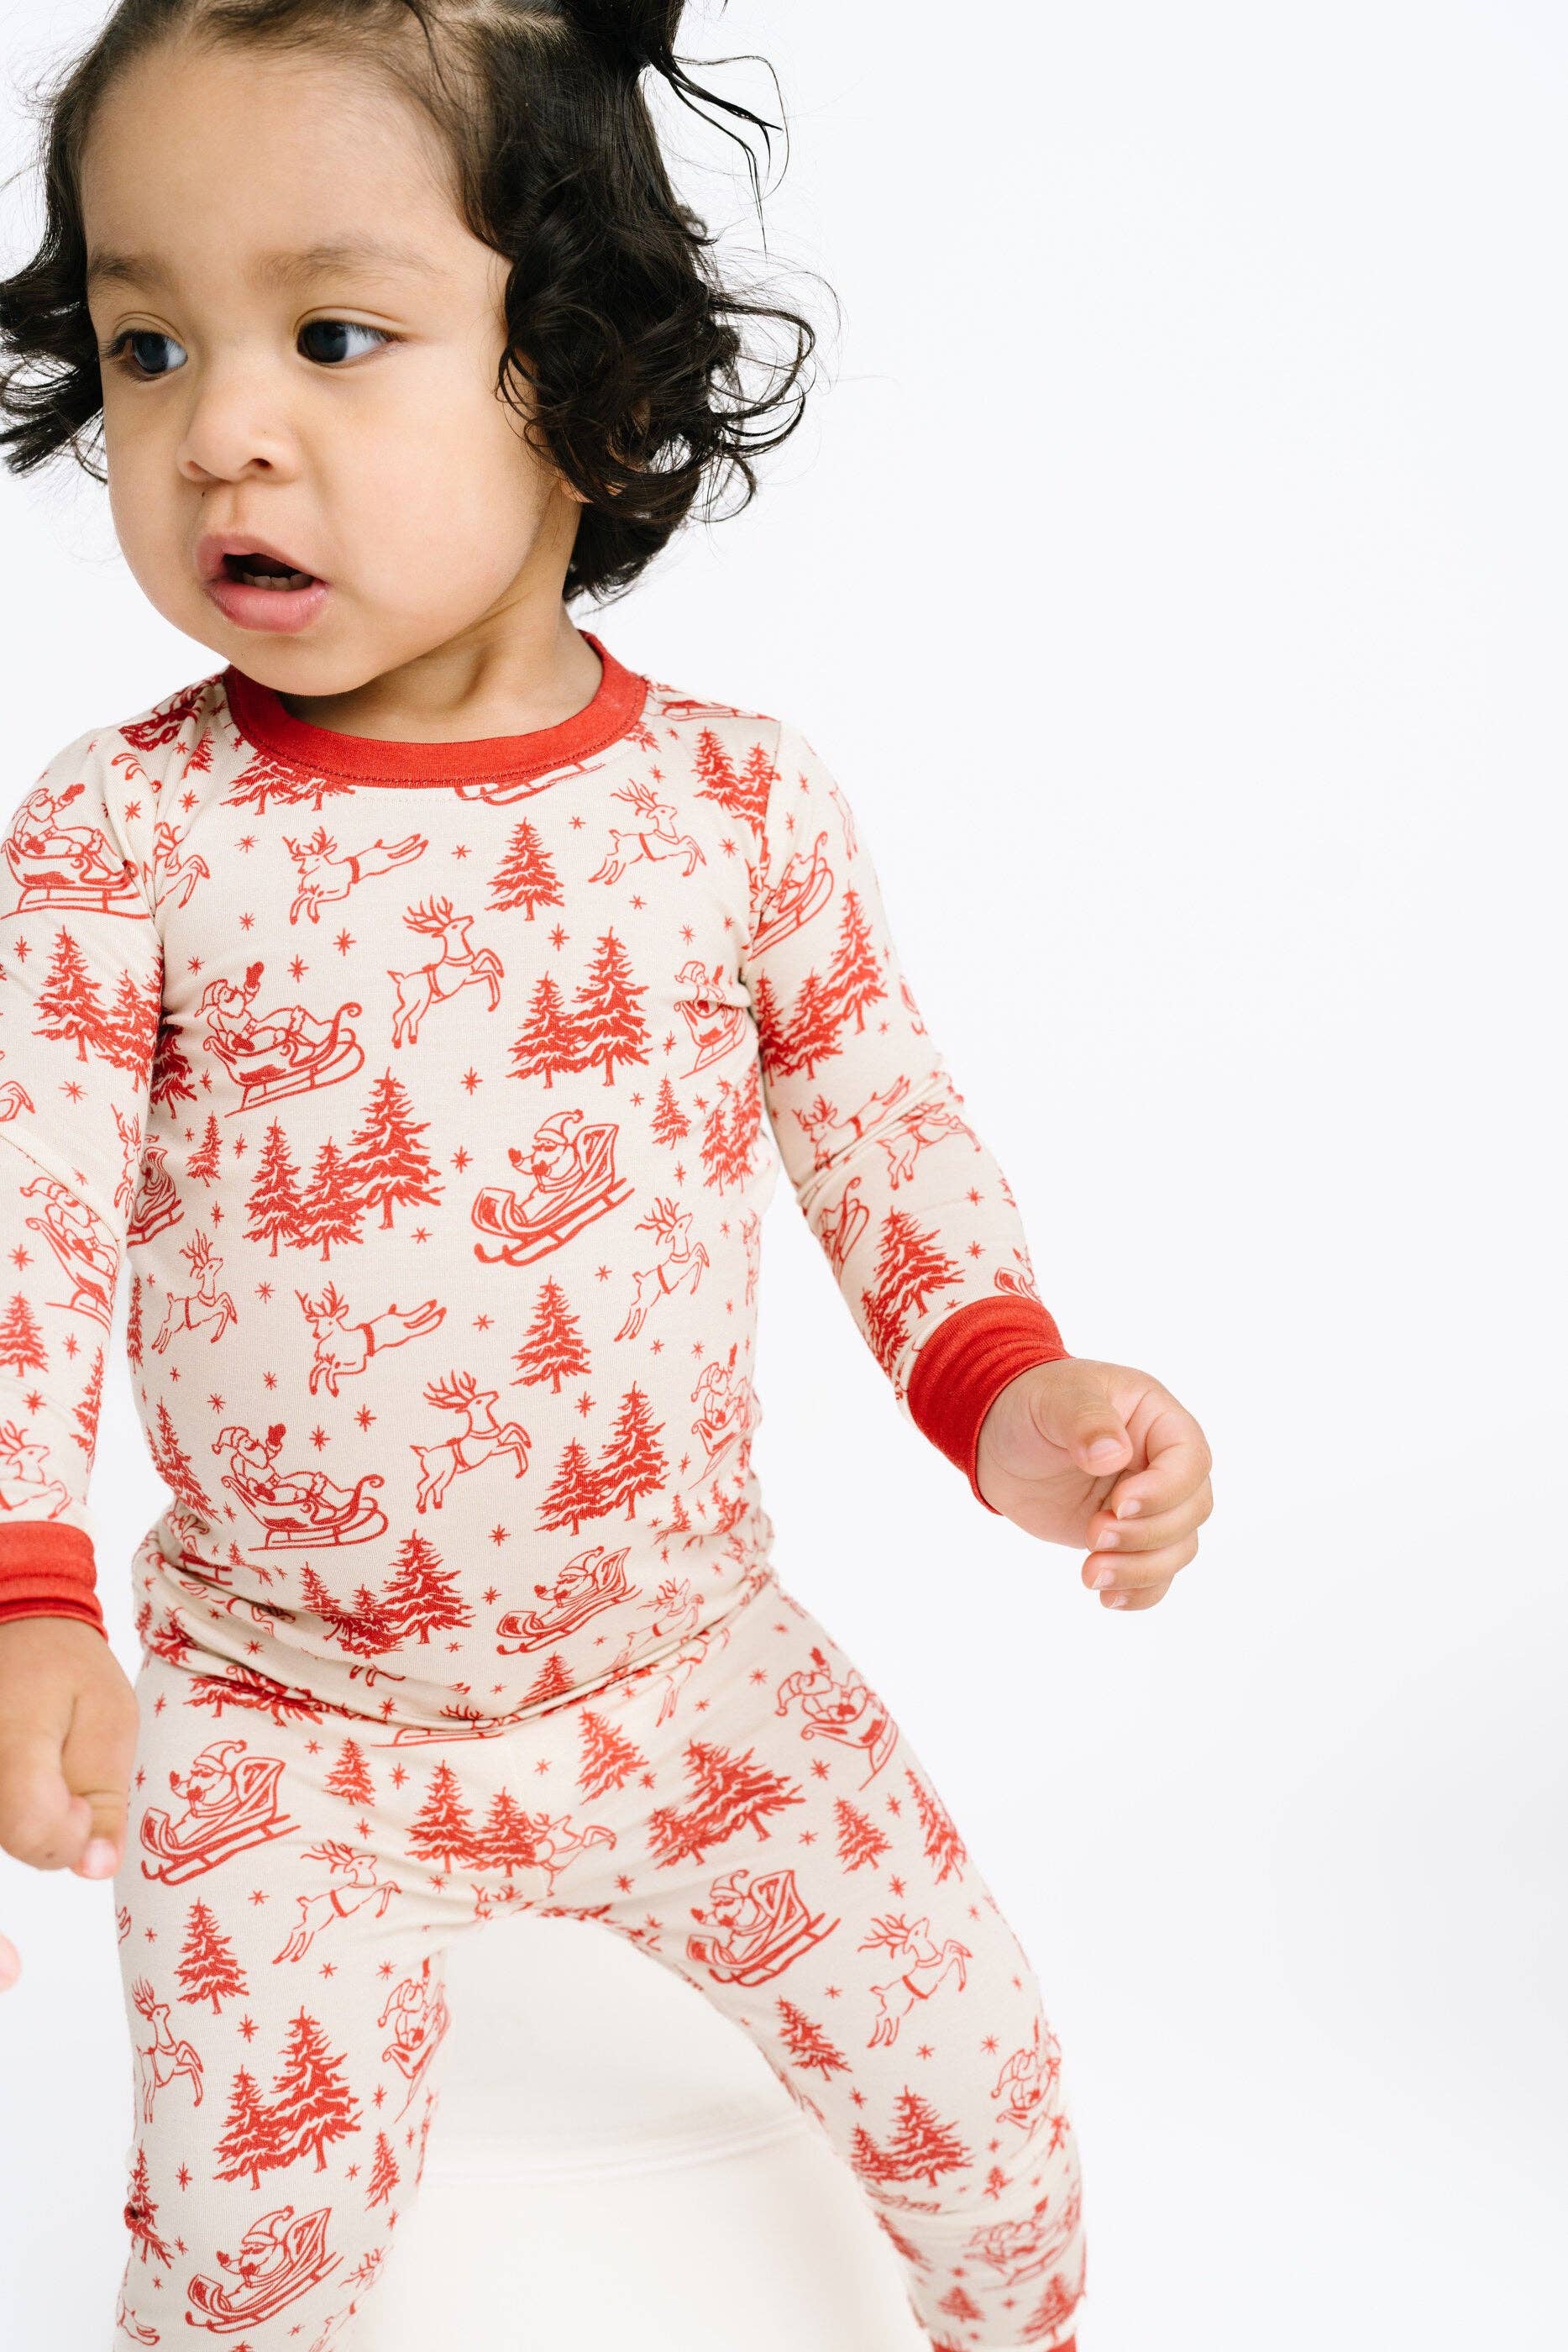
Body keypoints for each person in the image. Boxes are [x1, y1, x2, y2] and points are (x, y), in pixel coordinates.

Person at [0, 6, 1213, 2347]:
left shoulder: (734, 806)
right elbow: (23, 1226)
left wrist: (1010, 1387)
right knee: (245, 2254)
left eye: (329, 334)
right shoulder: (122, 834)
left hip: (687, 1667)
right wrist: (26, 1587)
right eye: (149, 344)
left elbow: (881, 1126)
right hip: (284, 1722)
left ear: (581, 372)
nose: (219, 426)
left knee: (983, 2108)